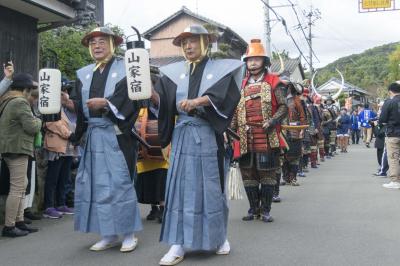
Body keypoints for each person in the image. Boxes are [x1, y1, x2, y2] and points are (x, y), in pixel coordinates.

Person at [151, 25, 243, 265]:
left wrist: (200, 101)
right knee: (179, 189)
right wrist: (151, 98)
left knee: (211, 188)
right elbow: (164, 105)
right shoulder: (171, 73)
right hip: (181, 135)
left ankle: (219, 237)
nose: (188, 46)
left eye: (193, 41)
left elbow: (228, 97)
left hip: (207, 135)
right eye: (184, 43)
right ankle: (178, 243)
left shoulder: (220, 69)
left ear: (205, 43)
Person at [70, 27, 142, 252]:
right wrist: (76, 135)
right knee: (99, 186)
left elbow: (132, 101)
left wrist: (107, 104)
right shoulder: (83, 74)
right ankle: (108, 233)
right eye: (93, 43)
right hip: (94, 136)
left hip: (117, 135)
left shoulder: (126, 69)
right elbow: (81, 112)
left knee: (120, 184)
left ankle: (129, 233)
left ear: (113, 44)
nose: (97, 46)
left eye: (102, 41)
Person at [231, 39, 287, 221]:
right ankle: (253, 209)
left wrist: (272, 121)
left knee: (267, 173)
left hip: (267, 135)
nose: (253, 62)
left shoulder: (274, 81)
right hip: (245, 136)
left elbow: (283, 107)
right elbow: (234, 109)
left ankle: (266, 210)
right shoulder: (241, 84)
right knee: (248, 174)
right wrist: (230, 131)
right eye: (250, 59)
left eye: (257, 59)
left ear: (264, 61)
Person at [0, 73, 41, 237]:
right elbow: (31, 127)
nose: (30, 93)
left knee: (21, 185)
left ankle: (19, 221)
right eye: (30, 89)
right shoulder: (20, 102)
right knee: (17, 188)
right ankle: (9, 226)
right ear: (25, 89)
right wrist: (39, 120)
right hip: (17, 148)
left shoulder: (6, 100)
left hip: (10, 148)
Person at [42, 79, 79, 219]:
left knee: (64, 176)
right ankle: (49, 206)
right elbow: (51, 123)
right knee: (53, 177)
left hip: (68, 146)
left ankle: (61, 203)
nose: (65, 93)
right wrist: (70, 134)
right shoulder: (49, 104)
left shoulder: (64, 106)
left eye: (67, 91)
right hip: (57, 144)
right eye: (63, 91)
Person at [135, 103, 168, 224]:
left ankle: (163, 208)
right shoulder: (142, 106)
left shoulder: (164, 104)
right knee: (149, 179)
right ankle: (154, 208)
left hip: (163, 151)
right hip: (144, 150)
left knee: (161, 179)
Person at [282, 82, 306, 186]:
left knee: (295, 156)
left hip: (295, 131)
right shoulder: (280, 99)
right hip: (282, 131)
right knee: (282, 156)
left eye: (289, 87)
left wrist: (302, 130)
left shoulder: (297, 100)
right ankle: (285, 177)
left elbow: (302, 116)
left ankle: (293, 178)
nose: (287, 89)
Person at [379, 82, 400, 189]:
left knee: (393, 157)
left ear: (390, 91)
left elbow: (382, 119)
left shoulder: (389, 103)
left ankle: (396, 181)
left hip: (393, 133)